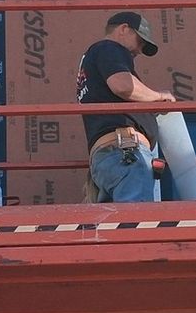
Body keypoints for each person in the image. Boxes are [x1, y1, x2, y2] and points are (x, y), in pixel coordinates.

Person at [75, 11, 180, 202]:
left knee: (117, 220)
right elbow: (123, 86)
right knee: (136, 217)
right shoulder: (109, 48)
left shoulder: (94, 60)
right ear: (124, 29)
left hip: (111, 157)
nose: (139, 50)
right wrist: (159, 98)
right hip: (125, 153)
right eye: (140, 41)